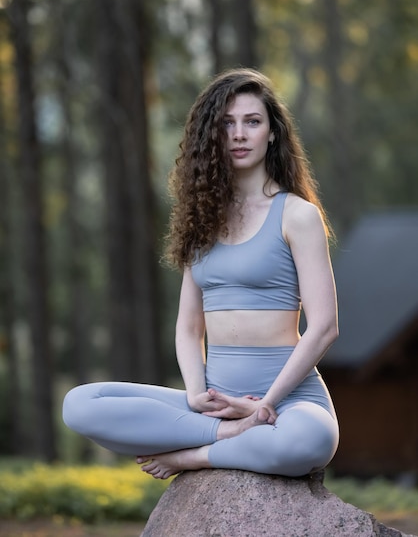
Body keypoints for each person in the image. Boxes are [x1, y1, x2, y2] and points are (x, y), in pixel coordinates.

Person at [63, 68, 339, 480]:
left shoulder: (297, 215)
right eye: (227, 124)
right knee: (80, 404)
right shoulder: (201, 219)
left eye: (252, 122)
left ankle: (195, 455)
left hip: (289, 402)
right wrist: (195, 396)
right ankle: (226, 434)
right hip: (214, 403)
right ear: (212, 134)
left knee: (310, 439)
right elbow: (188, 329)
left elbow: (324, 328)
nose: (240, 134)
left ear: (272, 133)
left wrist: (264, 406)